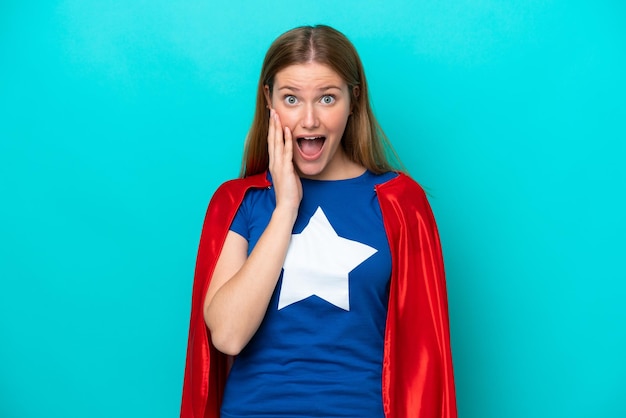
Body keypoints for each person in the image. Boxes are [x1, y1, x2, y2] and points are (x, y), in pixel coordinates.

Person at [181, 25, 457, 418]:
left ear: (353, 100)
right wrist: (286, 207)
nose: (309, 120)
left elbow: (424, 355)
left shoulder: (400, 202)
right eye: (291, 98)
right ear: (269, 101)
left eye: (327, 98)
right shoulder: (240, 201)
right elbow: (227, 336)